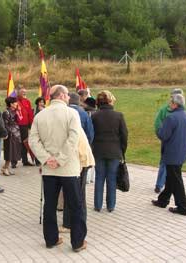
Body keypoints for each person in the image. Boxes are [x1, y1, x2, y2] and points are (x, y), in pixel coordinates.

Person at [29, 85, 87, 252]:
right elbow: (74, 138)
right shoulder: (72, 113)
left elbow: (33, 140)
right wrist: (58, 159)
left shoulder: (40, 115)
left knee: (49, 205)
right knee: (75, 206)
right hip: (68, 168)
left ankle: (51, 239)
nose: (69, 97)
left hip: (49, 169)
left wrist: (48, 159)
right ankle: (77, 242)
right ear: (61, 95)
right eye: (67, 95)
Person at [152, 94, 186, 216]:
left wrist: (158, 130)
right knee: (171, 177)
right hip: (182, 153)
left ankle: (182, 207)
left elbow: (163, 135)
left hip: (172, 154)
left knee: (176, 180)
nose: (169, 104)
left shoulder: (171, 118)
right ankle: (163, 200)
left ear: (175, 104)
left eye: (171, 102)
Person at [60, 93, 94, 233]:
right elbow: (91, 134)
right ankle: (79, 220)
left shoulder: (68, 114)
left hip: (75, 157)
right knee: (79, 192)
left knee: (72, 192)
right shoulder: (84, 114)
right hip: (83, 156)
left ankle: (71, 224)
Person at [91, 90, 128, 212]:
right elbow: (124, 135)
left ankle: (97, 205)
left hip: (98, 151)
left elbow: (91, 134)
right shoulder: (118, 116)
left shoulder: (94, 116)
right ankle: (111, 206)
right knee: (112, 178)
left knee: (99, 178)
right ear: (110, 101)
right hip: (114, 152)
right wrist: (122, 151)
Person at [154, 88, 184, 193]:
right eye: (172, 97)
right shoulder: (164, 110)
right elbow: (157, 124)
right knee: (164, 163)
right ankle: (159, 184)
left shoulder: (182, 112)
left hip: (178, 143)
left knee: (175, 166)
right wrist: (162, 135)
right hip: (167, 141)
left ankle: (170, 186)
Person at [12, 86, 34, 168]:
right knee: (16, 143)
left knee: (25, 143)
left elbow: (30, 114)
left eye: (25, 92)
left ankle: (25, 161)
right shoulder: (14, 101)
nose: (25, 93)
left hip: (25, 126)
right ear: (17, 93)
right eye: (22, 92)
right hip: (16, 126)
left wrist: (31, 124)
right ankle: (13, 162)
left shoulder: (27, 101)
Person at [2, 97, 22, 176]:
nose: (16, 104)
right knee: (9, 151)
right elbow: (5, 124)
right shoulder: (6, 112)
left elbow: (19, 120)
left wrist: (19, 112)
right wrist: (9, 132)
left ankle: (6, 167)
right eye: (15, 103)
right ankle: (5, 168)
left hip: (16, 133)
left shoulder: (15, 111)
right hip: (10, 135)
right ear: (11, 104)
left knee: (13, 151)